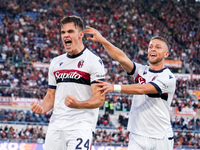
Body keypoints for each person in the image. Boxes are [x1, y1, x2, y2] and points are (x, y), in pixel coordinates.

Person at [84, 27, 176, 150]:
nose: (152, 49)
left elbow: (143, 89)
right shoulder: (141, 71)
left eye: (158, 47)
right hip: (137, 136)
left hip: (160, 137)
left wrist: (114, 87)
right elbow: (121, 57)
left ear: (166, 54)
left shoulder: (168, 77)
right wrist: (102, 40)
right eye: (150, 47)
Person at [31, 16, 105, 150]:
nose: (66, 35)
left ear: (81, 34)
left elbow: (99, 99)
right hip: (56, 126)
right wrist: (42, 108)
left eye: (70, 31)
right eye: (63, 32)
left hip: (80, 126)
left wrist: (79, 105)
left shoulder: (93, 61)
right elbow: (51, 96)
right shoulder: (56, 62)